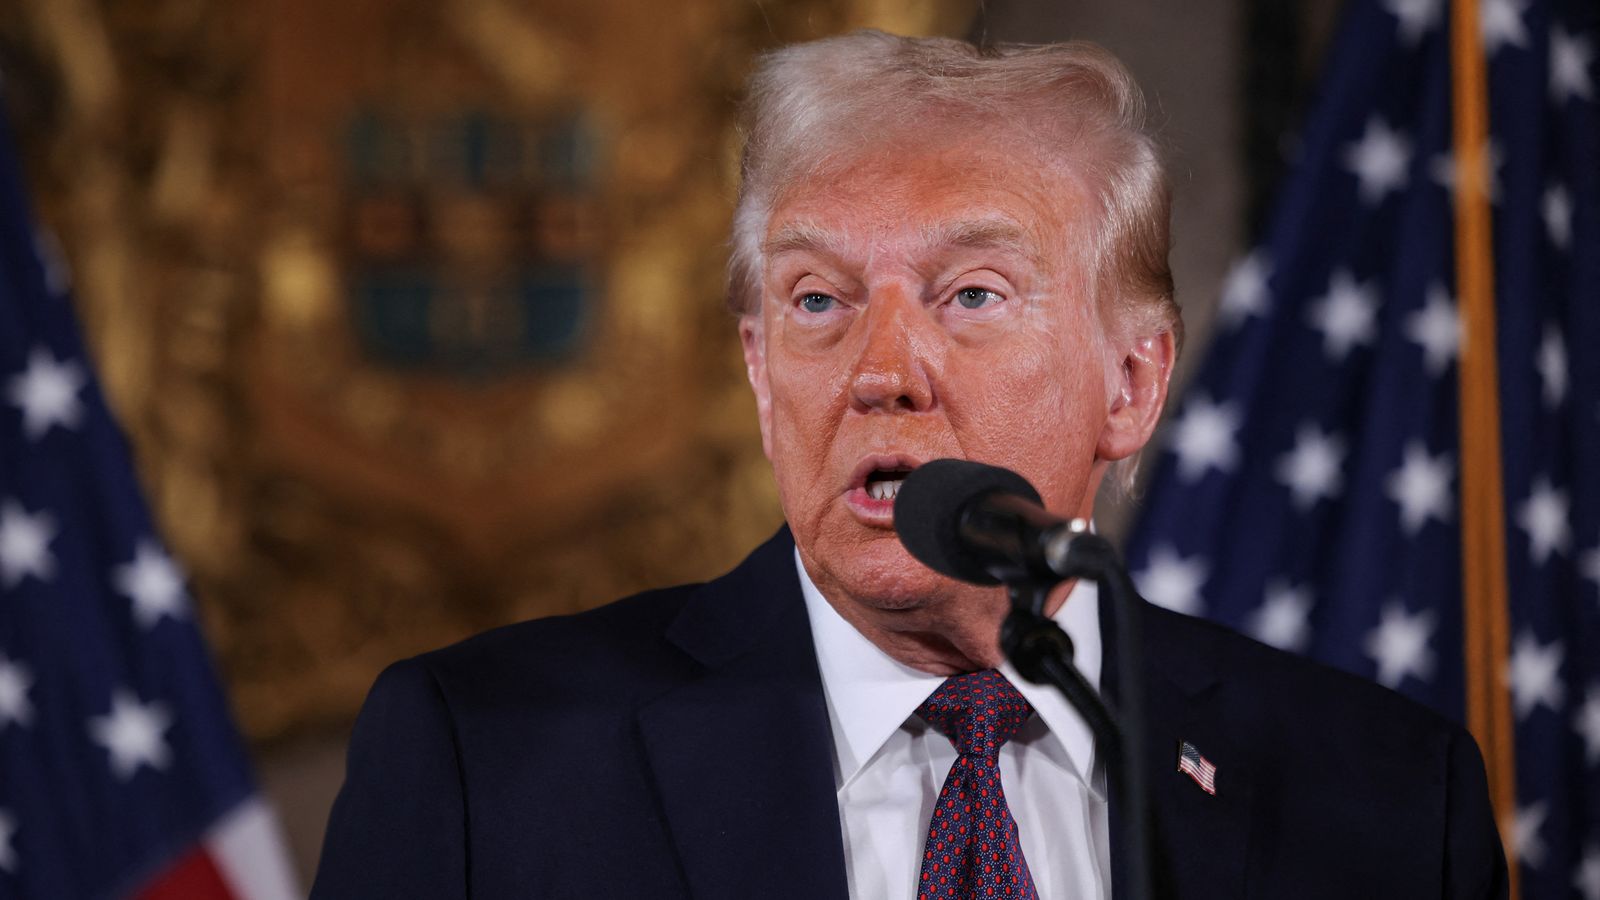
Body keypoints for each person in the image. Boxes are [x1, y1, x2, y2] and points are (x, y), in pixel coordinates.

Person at [312, 31, 1508, 899]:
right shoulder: (488, 765)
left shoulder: (1387, 801)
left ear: (1132, 384)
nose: (883, 369)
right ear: (758, 369)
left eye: (971, 294)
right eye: (818, 298)